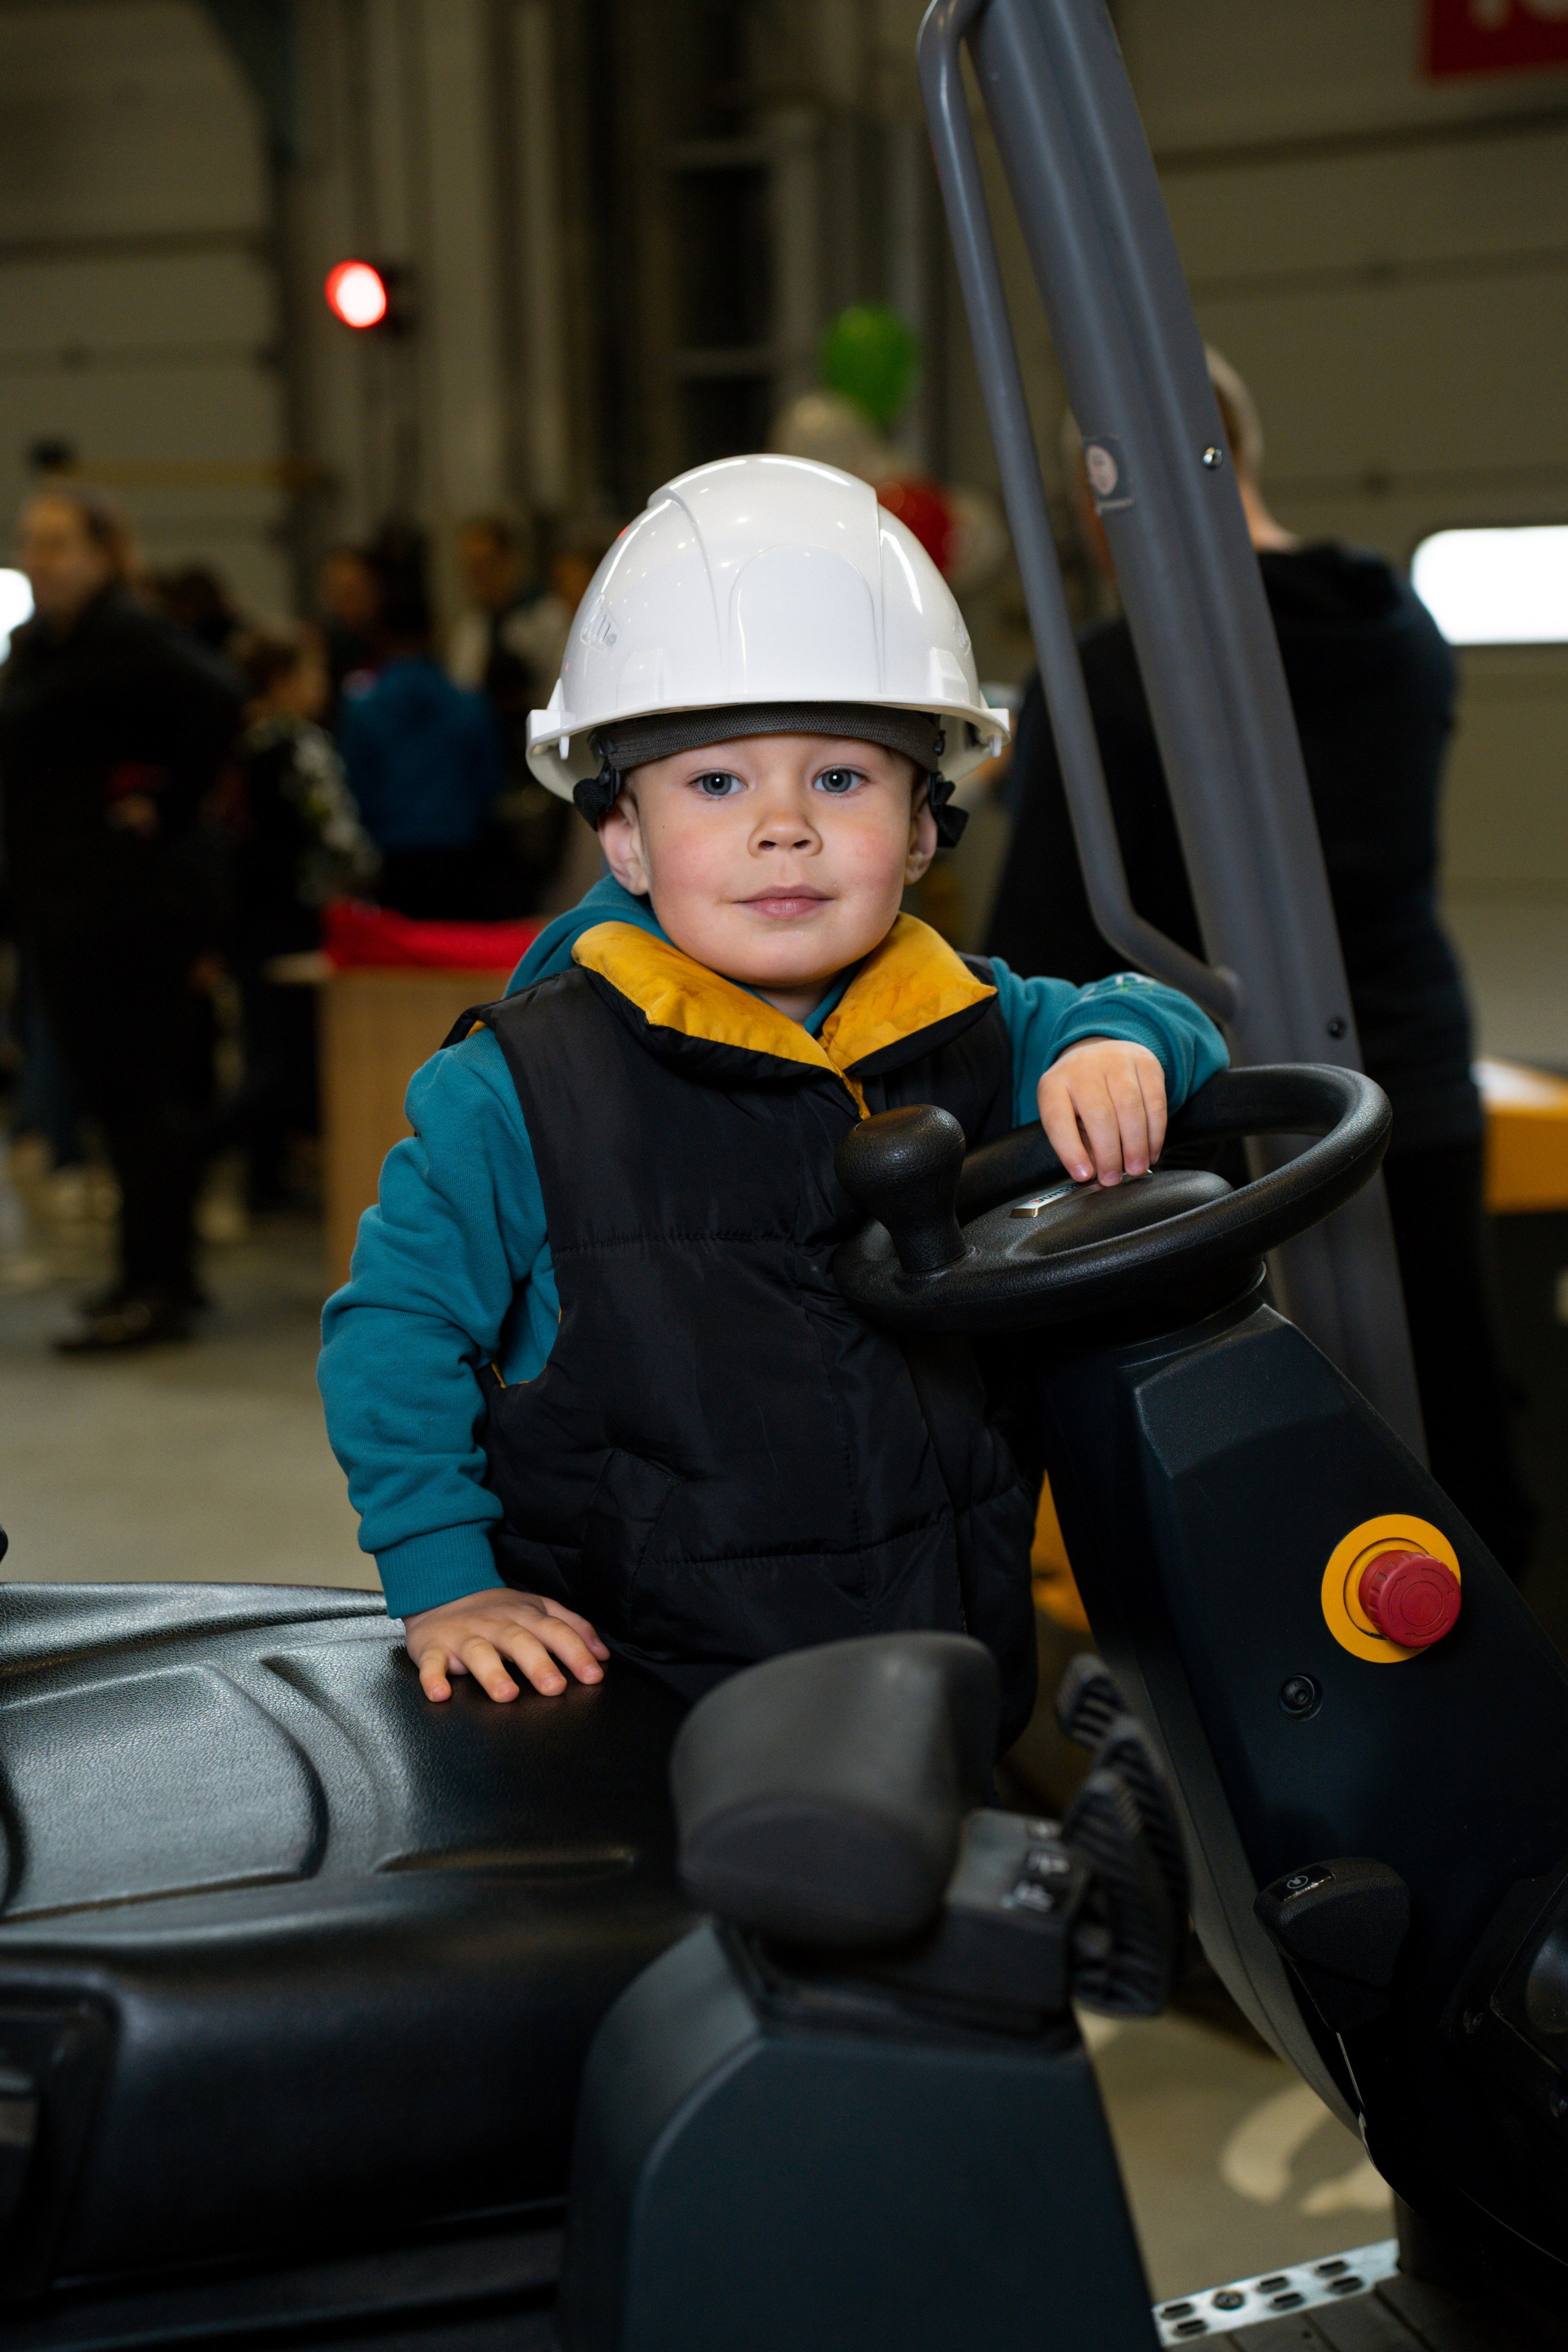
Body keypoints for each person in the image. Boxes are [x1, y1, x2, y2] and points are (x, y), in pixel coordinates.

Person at [318, 456, 1226, 1743]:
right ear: (622, 837)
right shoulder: (519, 1090)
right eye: (716, 783)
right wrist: (446, 1581)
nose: (783, 826)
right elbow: (395, 1330)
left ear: (925, 825)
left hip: (941, 1661)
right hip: (642, 1701)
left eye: (841, 779)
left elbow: (1166, 1018)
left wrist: (1122, 1044)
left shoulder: (978, 1022)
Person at [987, 350, 1536, 1579]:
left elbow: (1047, 944)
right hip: (1412, 1078)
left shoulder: (1113, 672)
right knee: (1446, 1405)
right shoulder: (1401, 629)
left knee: (1259, 1462)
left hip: (1219, 1108)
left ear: (1101, 489)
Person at [0, 484, 241, 1348]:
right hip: (67, 905)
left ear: (104, 553)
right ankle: (148, 1274)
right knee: (118, 1102)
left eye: (59, 542)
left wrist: (166, 805)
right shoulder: (44, 644)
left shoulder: (125, 634)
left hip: (129, 910)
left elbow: (218, 696)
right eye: (32, 541)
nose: (40, 558)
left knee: (140, 1099)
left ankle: (158, 1287)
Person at [221, 625, 379, 1206]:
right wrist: (363, 873)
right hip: (297, 915)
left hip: (246, 916)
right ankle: (201, 1146)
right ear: (281, 682)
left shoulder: (240, 747)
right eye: (312, 673)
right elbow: (336, 831)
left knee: (264, 1044)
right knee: (291, 1057)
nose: (323, 685)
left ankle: (264, 1181)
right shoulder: (301, 745)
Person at [337, 565, 505, 919]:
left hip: (393, 859)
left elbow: (356, 786)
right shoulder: (470, 705)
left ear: (382, 636)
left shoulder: (363, 709)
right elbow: (489, 780)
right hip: (461, 856)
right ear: (433, 633)